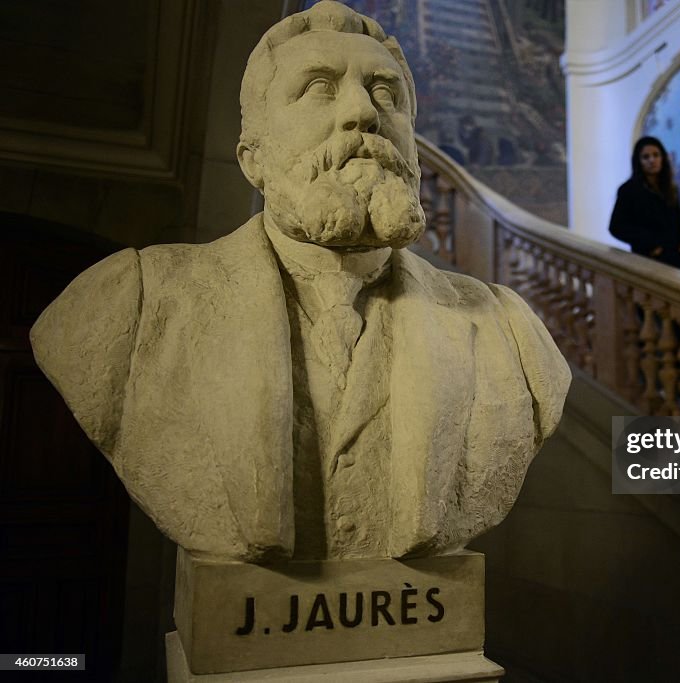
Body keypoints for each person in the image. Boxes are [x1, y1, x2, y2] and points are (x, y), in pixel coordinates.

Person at [30, 0, 570, 564]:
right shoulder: (134, 304)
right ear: (252, 159)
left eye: (386, 93)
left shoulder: (507, 332)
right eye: (319, 88)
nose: (363, 113)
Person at [609, 136, 680, 274]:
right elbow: (616, 226)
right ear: (639, 162)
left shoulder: (671, 190)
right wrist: (650, 244)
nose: (652, 160)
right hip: (649, 258)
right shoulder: (629, 190)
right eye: (646, 157)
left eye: (656, 155)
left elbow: (677, 226)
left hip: (676, 255)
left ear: (663, 158)